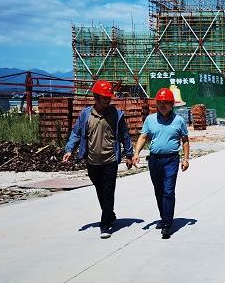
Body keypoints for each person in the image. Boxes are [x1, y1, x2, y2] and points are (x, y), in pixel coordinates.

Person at [63, 80, 134, 239]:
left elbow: (124, 135)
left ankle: (105, 225)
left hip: (110, 160)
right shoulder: (86, 114)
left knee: (108, 192)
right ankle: (110, 215)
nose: (108, 99)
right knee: (100, 190)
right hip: (92, 161)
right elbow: (76, 133)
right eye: (104, 97)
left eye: (109, 96)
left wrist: (129, 155)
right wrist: (69, 150)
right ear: (96, 96)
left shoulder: (116, 114)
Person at [133, 88, 190, 239]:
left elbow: (185, 140)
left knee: (168, 191)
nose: (162, 105)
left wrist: (185, 159)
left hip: (171, 160)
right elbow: (143, 137)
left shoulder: (179, 121)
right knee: (159, 191)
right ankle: (164, 217)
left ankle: (167, 224)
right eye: (160, 102)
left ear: (172, 104)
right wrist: (136, 153)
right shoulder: (150, 120)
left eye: (166, 102)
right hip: (154, 160)